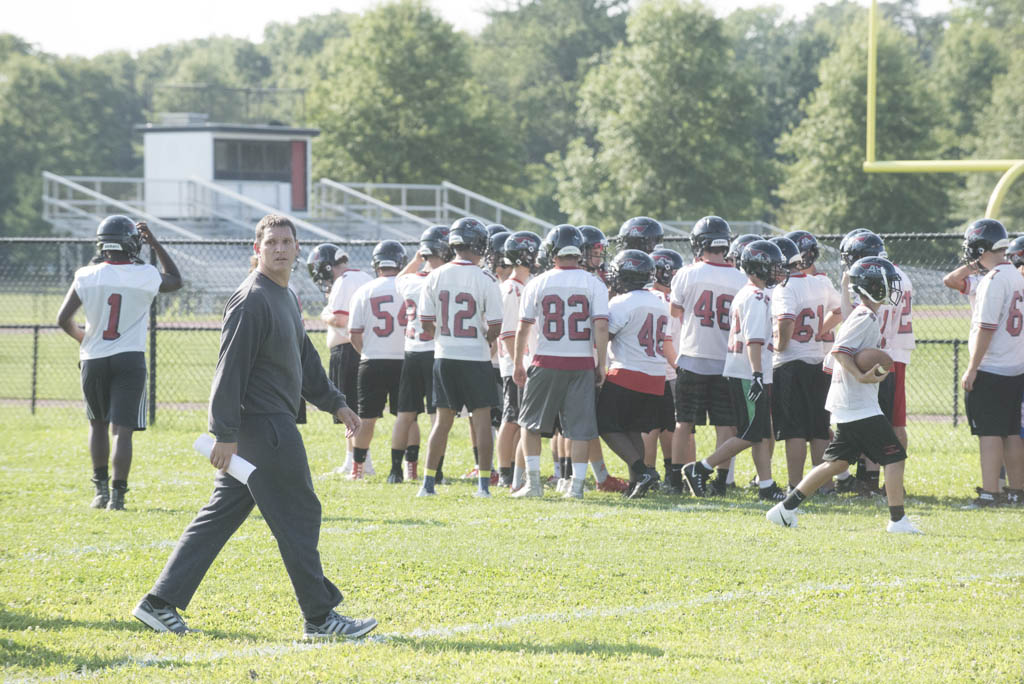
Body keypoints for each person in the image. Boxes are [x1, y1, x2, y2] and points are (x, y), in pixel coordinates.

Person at [132, 214, 375, 639]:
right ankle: (320, 618)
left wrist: (336, 403)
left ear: (297, 248)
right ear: (257, 251)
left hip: (266, 427)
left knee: (219, 517)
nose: (280, 249)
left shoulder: (286, 295)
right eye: (271, 242)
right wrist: (223, 433)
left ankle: (158, 602)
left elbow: (305, 361)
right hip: (264, 429)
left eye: (286, 241)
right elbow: (229, 371)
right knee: (300, 514)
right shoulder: (252, 299)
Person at [767, 256, 922, 533]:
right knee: (894, 457)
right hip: (857, 404)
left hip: (850, 402)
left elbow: (842, 340)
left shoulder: (863, 314)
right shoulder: (866, 317)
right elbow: (838, 350)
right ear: (874, 286)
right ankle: (898, 520)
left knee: (834, 463)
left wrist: (843, 286)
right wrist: (860, 375)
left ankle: (784, 509)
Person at [56, 216, 182, 511]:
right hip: (129, 358)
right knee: (121, 431)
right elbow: (175, 280)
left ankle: (99, 492)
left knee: (97, 425)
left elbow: (63, 319)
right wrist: (155, 243)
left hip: (94, 357)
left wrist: (84, 339)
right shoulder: (146, 274)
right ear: (131, 242)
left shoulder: (86, 275)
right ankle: (118, 497)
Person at [683, 240, 788, 502]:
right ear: (759, 268)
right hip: (748, 372)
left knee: (762, 433)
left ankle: (766, 485)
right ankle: (700, 468)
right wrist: (756, 376)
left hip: (750, 371)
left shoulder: (751, 293)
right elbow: (753, 341)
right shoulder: (756, 296)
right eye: (773, 266)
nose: (777, 271)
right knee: (752, 432)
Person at [512, 225, 610, 499]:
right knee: (580, 428)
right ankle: (576, 488)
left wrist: (519, 362)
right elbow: (600, 327)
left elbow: (523, 328)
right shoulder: (594, 284)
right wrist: (600, 363)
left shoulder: (538, 283)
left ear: (552, 251)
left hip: (546, 361)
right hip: (580, 362)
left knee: (530, 425)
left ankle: (533, 484)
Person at [416, 217, 504, 498]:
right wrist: (486, 340)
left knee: (441, 422)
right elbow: (496, 325)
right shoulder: (486, 278)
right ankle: (483, 486)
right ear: (480, 244)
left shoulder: (434, 276)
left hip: (445, 355)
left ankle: (428, 485)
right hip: (475, 357)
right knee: (481, 421)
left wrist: (441, 336)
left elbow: (426, 323)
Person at [667, 217, 747, 495]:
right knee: (727, 424)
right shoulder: (740, 278)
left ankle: (676, 480)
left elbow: (676, 312)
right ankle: (721, 481)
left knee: (684, 422)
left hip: (692, 356)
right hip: (727, 360)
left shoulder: (687, 274)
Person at [959, 219, 1024, 508]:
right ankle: (1016, 490)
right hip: (1015, 366)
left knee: (989, 432)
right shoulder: (1018, 276)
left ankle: (990, 492)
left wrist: (973, 367)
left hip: (992, 367)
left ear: (982, 247)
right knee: (1011, 431)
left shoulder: (994, 279)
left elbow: (986, 327)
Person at [770, 230, 841, 491]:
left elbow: (786, 320)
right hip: (818, 360)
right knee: (819, 429)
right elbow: (841, 308)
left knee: (795, 431)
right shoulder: (819, 282)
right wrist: (822, 329)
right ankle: (824, 486)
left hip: (791, 363)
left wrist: (780, 344)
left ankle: (796, 485)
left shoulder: (784, 287)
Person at [597, 250, 667, 499]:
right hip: (656, 376)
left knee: (604, 424)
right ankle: (637, 482)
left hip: (628, 371)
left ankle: (642, 471)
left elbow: (605, 335)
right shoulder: (659, 302)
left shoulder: (621, 303)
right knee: (632, 428)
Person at [389, 226, 452, 483]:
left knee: (405, 414)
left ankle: (395, 471)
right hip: (435, 352)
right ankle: (435, 472)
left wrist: (417, 259)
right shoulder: (445, 278)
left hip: (412, 352)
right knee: (437, 416)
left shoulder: (409, 280)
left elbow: (398, 278)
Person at [347, 241, 408, 480]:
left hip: (372, 360)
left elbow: (354, 334)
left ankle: (357, 468)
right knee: (407, 416)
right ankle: (406, 467)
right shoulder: (408, 286)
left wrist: (367, 352)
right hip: (405, 359)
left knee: (366, 418)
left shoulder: (365, 290)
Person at [313, 243, 373, 475]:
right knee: (357, 408)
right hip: (366, 349)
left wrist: (324, 312)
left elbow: (339, 319)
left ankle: (360, 462)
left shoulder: (344, 281)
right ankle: (353, 460)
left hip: (347, 350)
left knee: (349, 408)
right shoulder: (365, 277)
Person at [496, 231, 542, 488]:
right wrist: (518, 364)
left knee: (521, 419)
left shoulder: (527, 285)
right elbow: (507, 333)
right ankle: (505, 473)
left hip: (525, 361)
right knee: (512, 418)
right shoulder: (511, 289)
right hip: (516, 364)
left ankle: (516, 471)